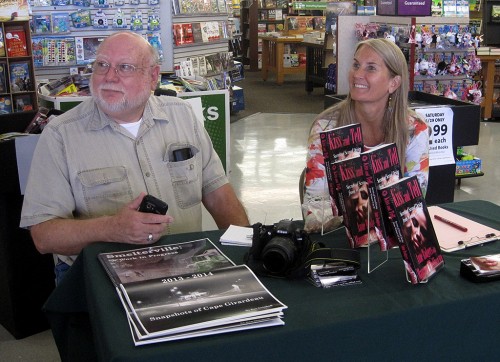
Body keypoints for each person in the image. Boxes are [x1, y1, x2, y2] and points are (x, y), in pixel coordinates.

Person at [20, 31, 249, 282]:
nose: (109, 77)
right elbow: (43, 236)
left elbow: (218, 193)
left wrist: (248, 250)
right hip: (100, 279)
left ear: (152, 77)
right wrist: (112, 229)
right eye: (102, 65)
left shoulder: (182, 116)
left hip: (184, 267)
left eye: (124, 67)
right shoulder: (60, 134)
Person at [302, 38, 430, 234]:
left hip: (393, 238)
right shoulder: (325, 127)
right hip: (339, 235)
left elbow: (415, 200)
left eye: (370, 68)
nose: (357, 75)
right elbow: (316, 204)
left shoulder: (414, 129)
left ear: (393, 83)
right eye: (355, 65)